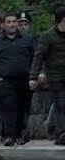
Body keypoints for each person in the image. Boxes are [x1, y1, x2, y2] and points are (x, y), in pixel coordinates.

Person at [0, 13, 36, 145]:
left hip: (24, 80)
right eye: (9, 22)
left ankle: (20, 135)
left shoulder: (28, 39)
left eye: (14, 22)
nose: (12, 24)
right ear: (3, 25)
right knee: (8, 108)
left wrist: (35, 76)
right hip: (5, 81)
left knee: (22, 108)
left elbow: (35, 58)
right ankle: (9, 136)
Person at [32, 6, 65, 144]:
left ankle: (51, 126)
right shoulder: (48, 36)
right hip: (55, 76)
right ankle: (62, 133)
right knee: (60, 105)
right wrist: (34, 76)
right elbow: (39, 56)